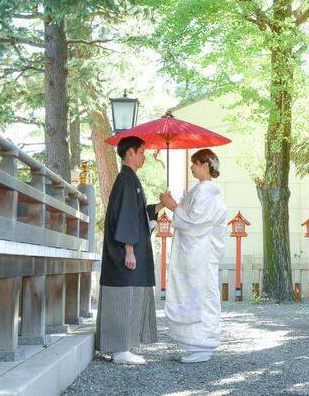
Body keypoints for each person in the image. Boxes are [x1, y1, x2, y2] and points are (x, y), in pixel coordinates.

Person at [96, 136, 162, 365]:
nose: (144, 156)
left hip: (130, 247)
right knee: (123, 294)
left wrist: (160, 206)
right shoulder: (125, 180)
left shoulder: (130, 179)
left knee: (130, 293)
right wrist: (129, 249)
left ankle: (123, 345)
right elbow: (125, 217)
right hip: (125, 251)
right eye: (142, 152)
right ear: (131, 152)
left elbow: (138, 213)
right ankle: (119, 348)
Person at [161, 148, 227, 363]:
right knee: (196, 296)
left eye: (195, 163)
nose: (191, 167)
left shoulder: (204, 193)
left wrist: (173, 207)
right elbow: (192, 217)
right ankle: (194, 345)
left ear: (205, 165)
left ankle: (203, 345)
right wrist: (176, 205)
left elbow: (195, 223)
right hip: (196, 256)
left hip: (200, 256)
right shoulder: (200, 192)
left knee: (201, 297)